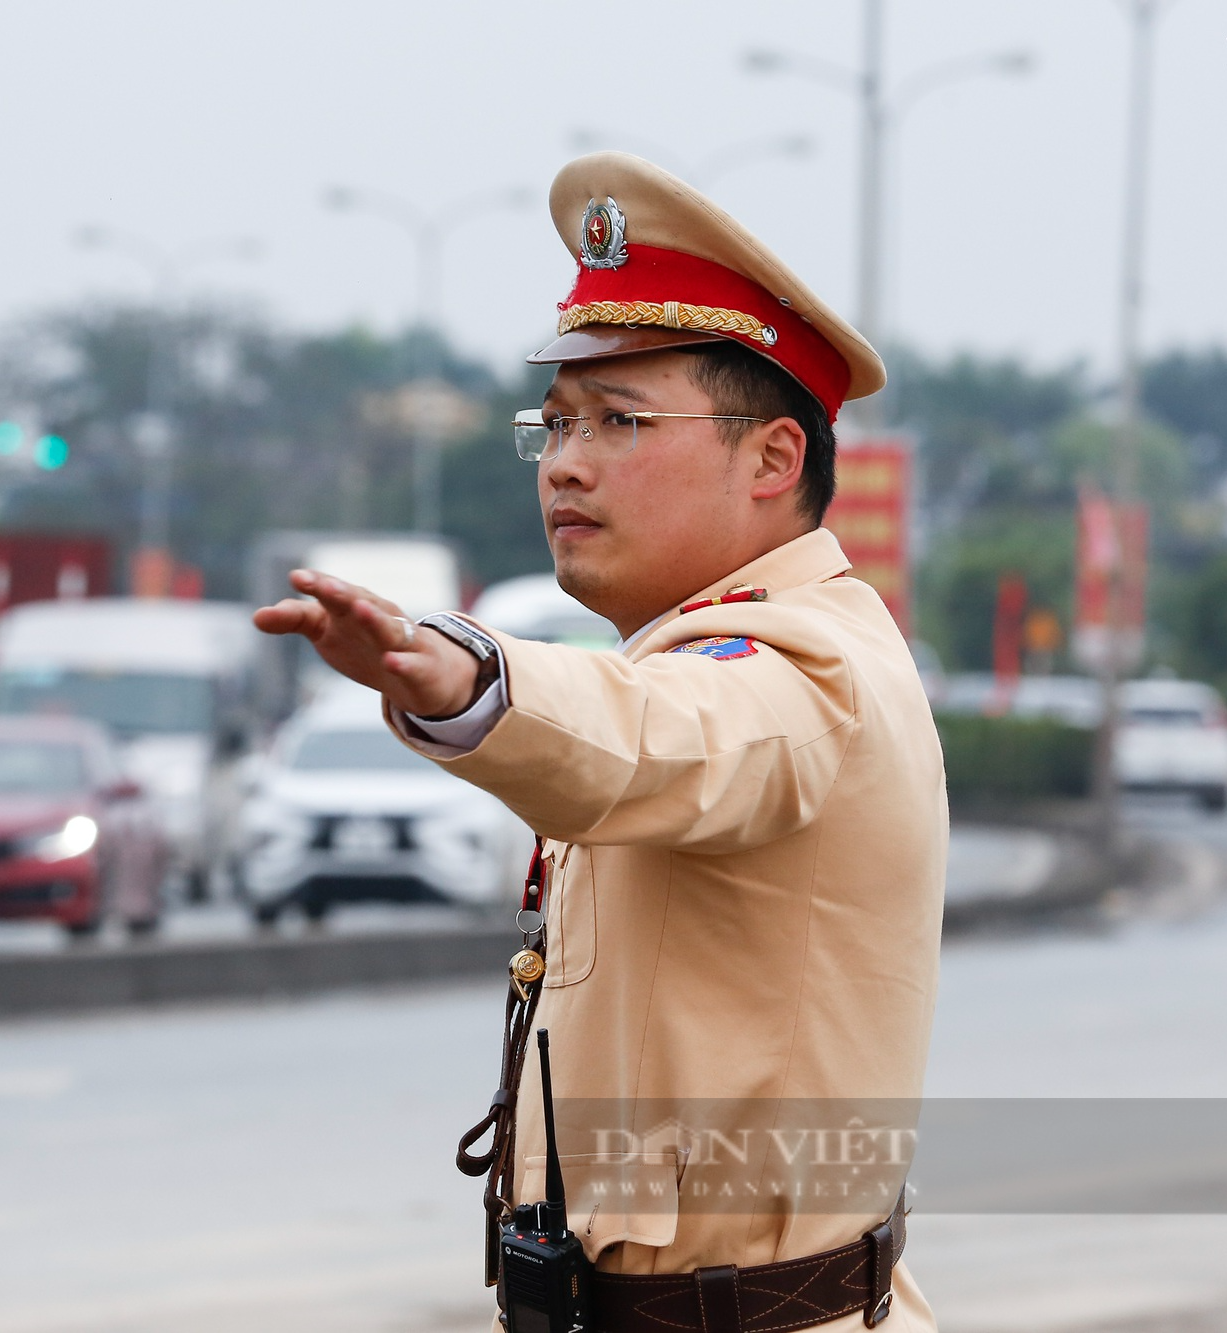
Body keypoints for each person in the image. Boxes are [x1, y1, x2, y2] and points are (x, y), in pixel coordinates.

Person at [255, 154, 944, 1332]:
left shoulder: (805, 668)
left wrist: (469, 676)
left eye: (620, 421)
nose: (566, 462)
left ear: (774, 458)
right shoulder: (691, 653)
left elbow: (659, 739)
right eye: (557, 422)